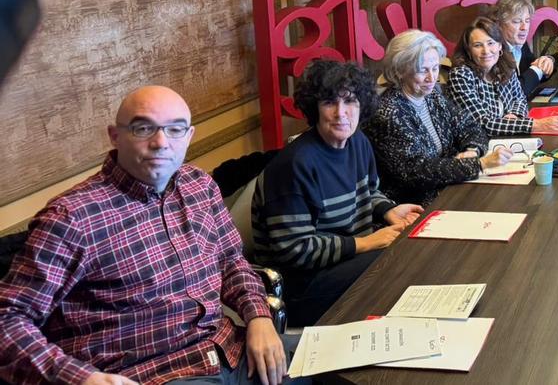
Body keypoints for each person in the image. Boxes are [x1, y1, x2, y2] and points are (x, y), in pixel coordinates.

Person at [0, 86, 294, 385]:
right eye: (143, 128)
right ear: (115, 136)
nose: (161, 142)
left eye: (175, 129)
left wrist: (259, 318)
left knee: (336, 366)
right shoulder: (72, 217)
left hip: (230, 349)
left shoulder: (199, 186)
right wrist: (83, 379)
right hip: (157, 374)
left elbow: (231, 262)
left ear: (189, 135)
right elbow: (7, 321)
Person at [252, 60, 424, 327]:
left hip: (347, 260)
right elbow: (296, 250)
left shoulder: (358, 142)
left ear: (362, 105)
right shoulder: (293, 165)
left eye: (350, 102)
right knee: (395, 262)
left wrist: (387, 209)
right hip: (302, 286)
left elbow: (369, 191)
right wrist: (367, 243)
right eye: (329, 103)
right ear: (314, 109)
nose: (341, 113)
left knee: (413, 244)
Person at [362, 30, 513, 206]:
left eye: (435, 68)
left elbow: (469, 126)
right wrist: (479, 164)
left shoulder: (432, 94)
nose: (432, 77)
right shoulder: (388, 113)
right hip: (416, 204)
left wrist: (472, 150)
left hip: (451, 187)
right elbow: (416, 172)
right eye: (422, 70)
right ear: (400, 71)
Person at [449, 17, 558, 136]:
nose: (486, 51)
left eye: (490, 43)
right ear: (469, 51)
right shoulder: (460, 75)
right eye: (477, 45)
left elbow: (520, 99)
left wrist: (516, 115)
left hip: (506, 139)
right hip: (477, 146)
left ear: (500, 46)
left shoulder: (505, 66)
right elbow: (482, 123)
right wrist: (537, 125)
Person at [490, 0, 555, 99]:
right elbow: (516, 91)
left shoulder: (519, 42)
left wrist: (547, 62)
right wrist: (538, 69)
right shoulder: (492, 51)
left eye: (527, 21)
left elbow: (531, 74)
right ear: (499, 24)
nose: (524, 27)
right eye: (517, 21)